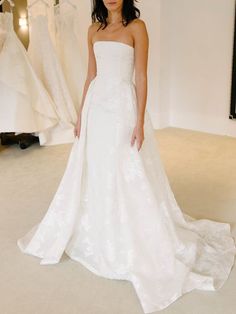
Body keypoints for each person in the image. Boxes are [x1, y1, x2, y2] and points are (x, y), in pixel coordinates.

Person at [17, 1, 236, 313]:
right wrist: (81, 115)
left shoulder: (137, 28)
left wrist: (139, 121)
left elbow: (141, 77)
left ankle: (129, 229)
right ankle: (100, 225)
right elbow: (91, 75)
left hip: (121, 106)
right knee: (97, 168)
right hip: (97, 106)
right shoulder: (93, 30)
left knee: (124, 167)